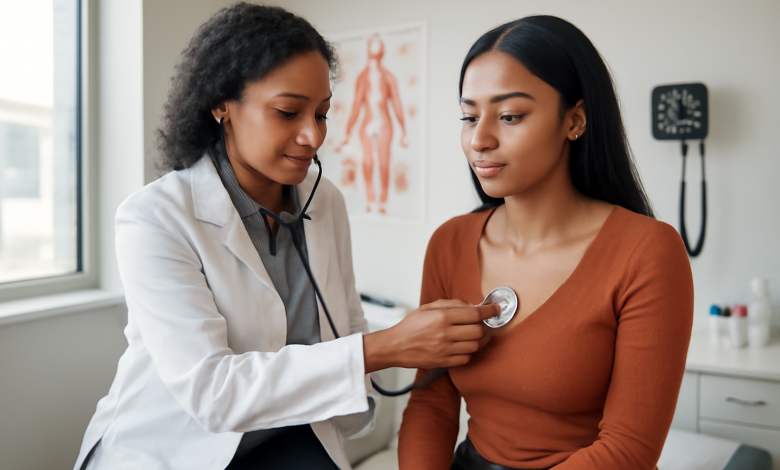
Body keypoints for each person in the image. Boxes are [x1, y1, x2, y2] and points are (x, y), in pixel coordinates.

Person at [72, 4, 498, 470]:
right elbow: (215, 394)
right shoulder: (154, 218)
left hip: (289, 434)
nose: (313, 136)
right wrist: (390, 346)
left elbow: (346, 321)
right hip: (175, 449)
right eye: (288, 111)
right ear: (221, 105)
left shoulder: (325, 201)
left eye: (322, 114)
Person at [398, 16, 694, 470]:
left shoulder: (648, 251)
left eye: (510, 115)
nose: (480, 139)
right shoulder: (449, 242)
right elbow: (432, 405)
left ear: (574, 120)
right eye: (469, 116)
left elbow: (629, 450)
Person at [341, 34, 408, 214]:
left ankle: (383, 200)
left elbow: (397, 104)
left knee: (384, 162)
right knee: (368, 162)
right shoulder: (363, 77)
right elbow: (356, 105)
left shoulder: (388, 77)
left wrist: (404, 130)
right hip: (368, 122)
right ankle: (370, 198)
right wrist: (347, 131)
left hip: (384, 123)